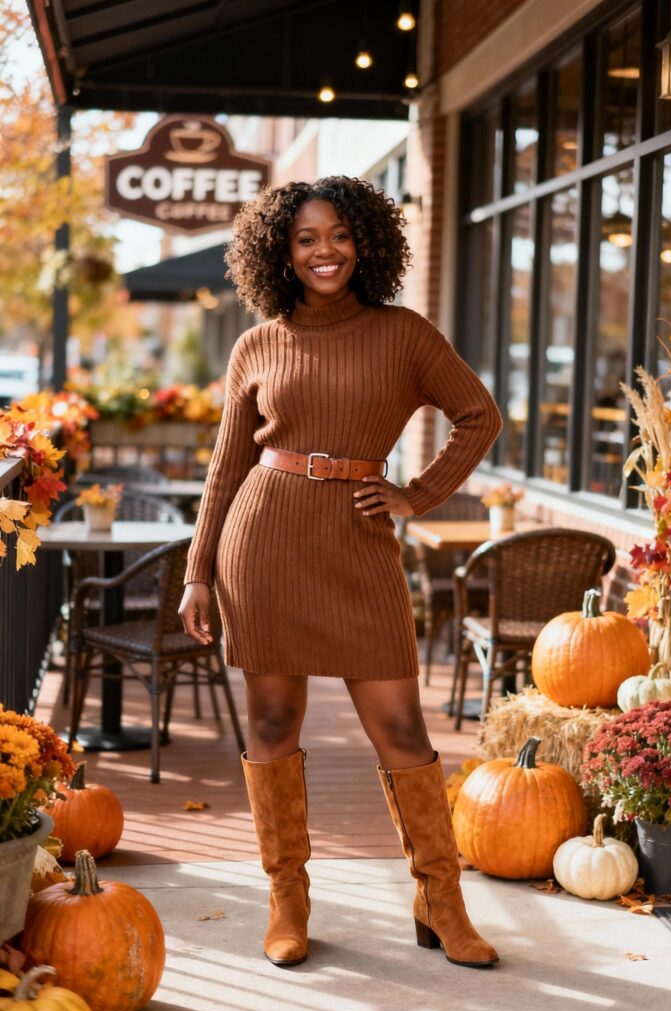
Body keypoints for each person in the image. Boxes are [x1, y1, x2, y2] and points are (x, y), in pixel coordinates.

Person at [178, 176, 502, 970]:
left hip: (358, 544)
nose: (323, 252)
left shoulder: (403, 334)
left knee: (399, 727)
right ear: (280, 254)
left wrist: (415, 495)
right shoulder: (257, 343)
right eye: (305, 240)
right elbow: (225, 470)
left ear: (366, 241)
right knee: (270, 725)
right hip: (264, 538)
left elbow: (479, 414)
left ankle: (439, 898)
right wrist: (195, 571)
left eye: (338, 236)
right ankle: (287, 899)